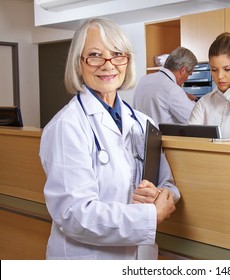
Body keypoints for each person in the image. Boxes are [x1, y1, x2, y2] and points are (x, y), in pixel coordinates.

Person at [39, 17, 180, 260]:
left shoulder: (144, 123)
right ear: (78, 63)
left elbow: (167, 184)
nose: (108, 64)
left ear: (127, 61)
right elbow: (75, 215)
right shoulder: (67, 126)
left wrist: (161, 196)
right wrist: (150, 216)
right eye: (95, 55)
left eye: (117, 54)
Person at [133, 47, 198, 125]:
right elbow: (195, 118)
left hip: (140, 134)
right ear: (183, 70)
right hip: (161, 136)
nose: (187, 79)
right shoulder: (173, 89)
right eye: (189, 74)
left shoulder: (144, 79)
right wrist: (193, 101)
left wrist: (184, 97)